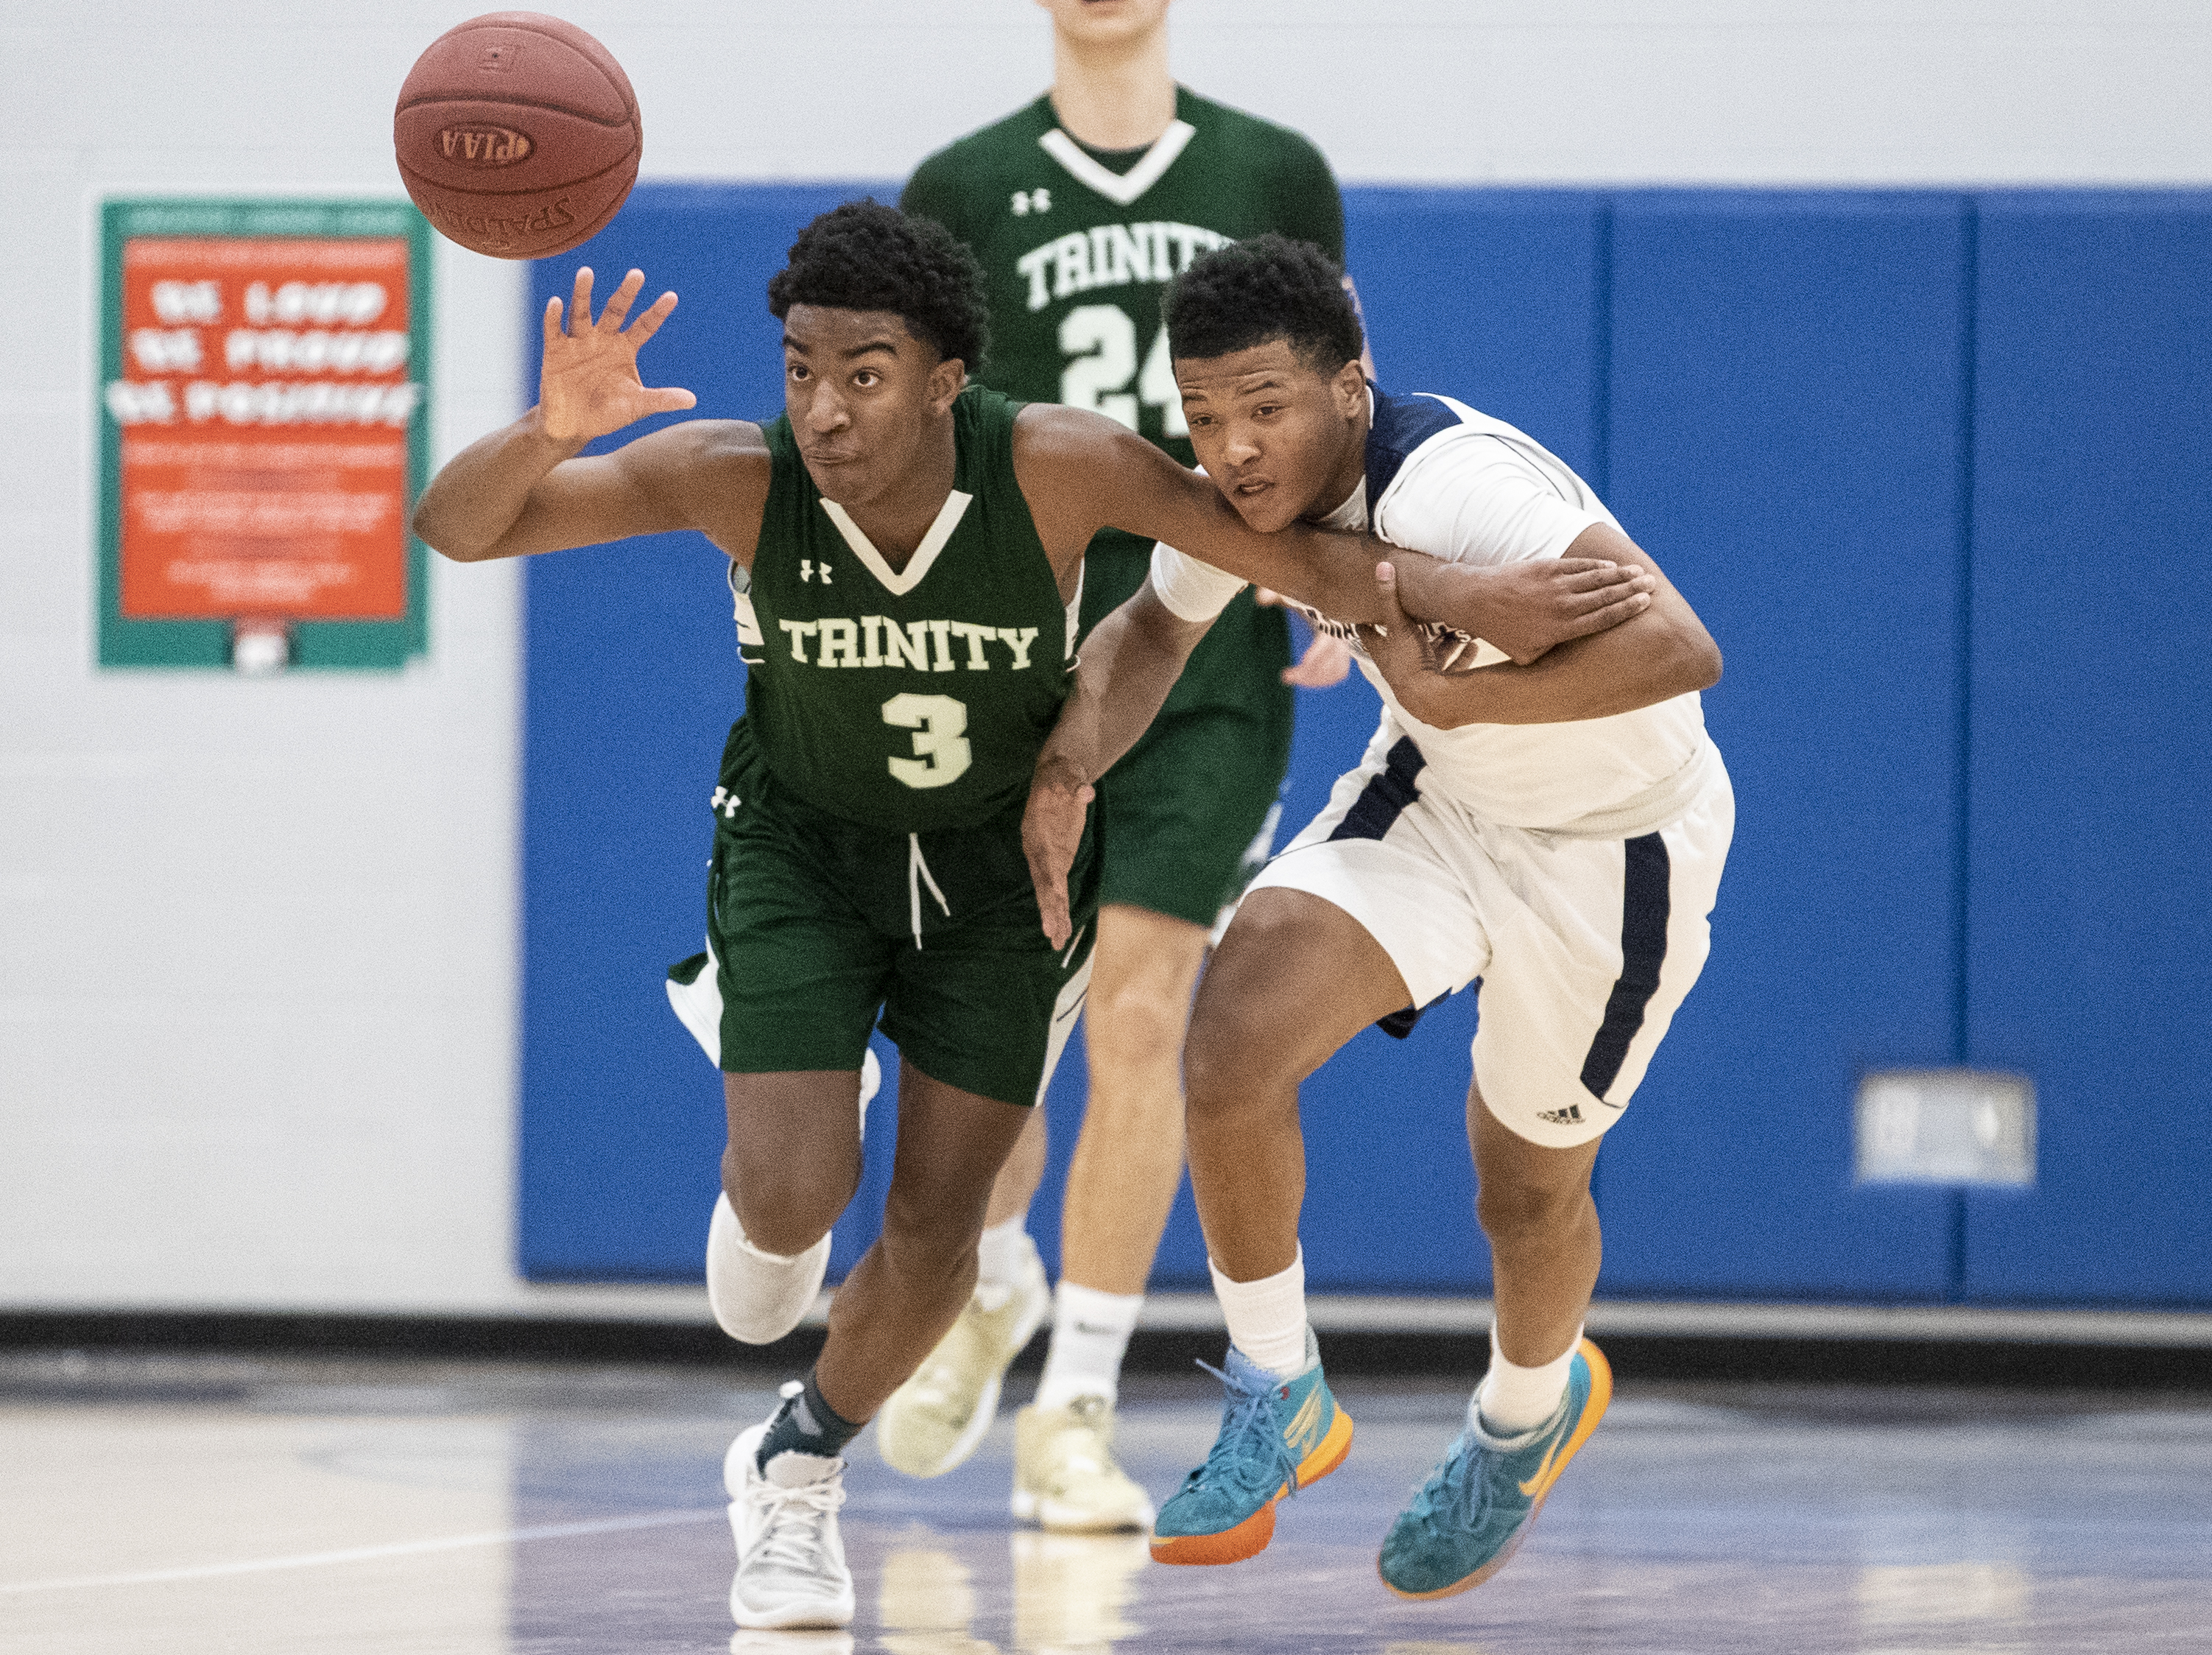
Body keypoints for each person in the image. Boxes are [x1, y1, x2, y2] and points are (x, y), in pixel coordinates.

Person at [411, 203, 1651, 1630]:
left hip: (1003, 877)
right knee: (787, 1211)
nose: (821, 406)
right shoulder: (732, 478)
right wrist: (549, 426)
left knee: (941, 1229)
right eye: (800, 366)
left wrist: (1464, 593)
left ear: (945, 377)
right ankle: (791, 1145)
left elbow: (1281, 562)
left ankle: (796, 1467)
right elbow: (455, 529)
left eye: (862, 371)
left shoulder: (1053, 463)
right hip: (805, 853)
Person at [1021, 233, 1730, 1599]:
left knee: (1523, 1192)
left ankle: (1522, 1420)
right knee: (1229, 1038)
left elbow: (1678, 650)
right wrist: (1065, 767)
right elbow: (1154, 633)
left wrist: (1468, 695)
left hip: (1614, 845)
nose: (1233, 448)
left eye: (1265, 408)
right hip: (1437, 803)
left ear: (1352, 384)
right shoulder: (1256, 506)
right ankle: (1280, 1391)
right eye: (1206, 414)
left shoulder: (1464, 487)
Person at [883, 0, 1364, 1531]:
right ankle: (997, 1276)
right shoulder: (955, 187)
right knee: (1006, 1012)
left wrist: (1343, 564)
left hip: (1209, 661)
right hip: (1020, 666)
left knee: (1151, 1006)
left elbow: (1339, 391)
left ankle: (1075, 1404)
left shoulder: (1273, 167)